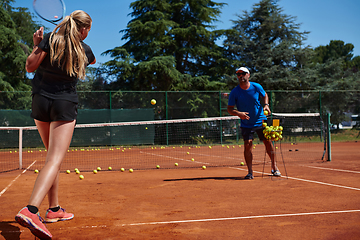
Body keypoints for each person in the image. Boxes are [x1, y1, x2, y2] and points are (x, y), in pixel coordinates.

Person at [15, 10, 96, 239]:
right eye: (88, 29)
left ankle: (54, 210)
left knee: (52, 157)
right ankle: (31, 210)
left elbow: (30, 67)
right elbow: (93, 59)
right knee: (54, 159)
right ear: (83, 29)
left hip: (40, 101)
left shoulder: (49, 39)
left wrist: (37, 44)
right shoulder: (84, 49)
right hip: (63, 105)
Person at [227, 67, 281, 180]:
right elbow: (230, 109)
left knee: (268, 143)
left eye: (243, 73)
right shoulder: (235, 92)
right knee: (248, 145)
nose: (240, 76)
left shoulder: (256, 86)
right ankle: (250, 172)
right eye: (238, 74)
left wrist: (266, 104)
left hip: (260, 120)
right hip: (246, 123)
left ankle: (274, 167)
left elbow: (264, 94)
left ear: (248, 75)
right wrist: (239, 113)